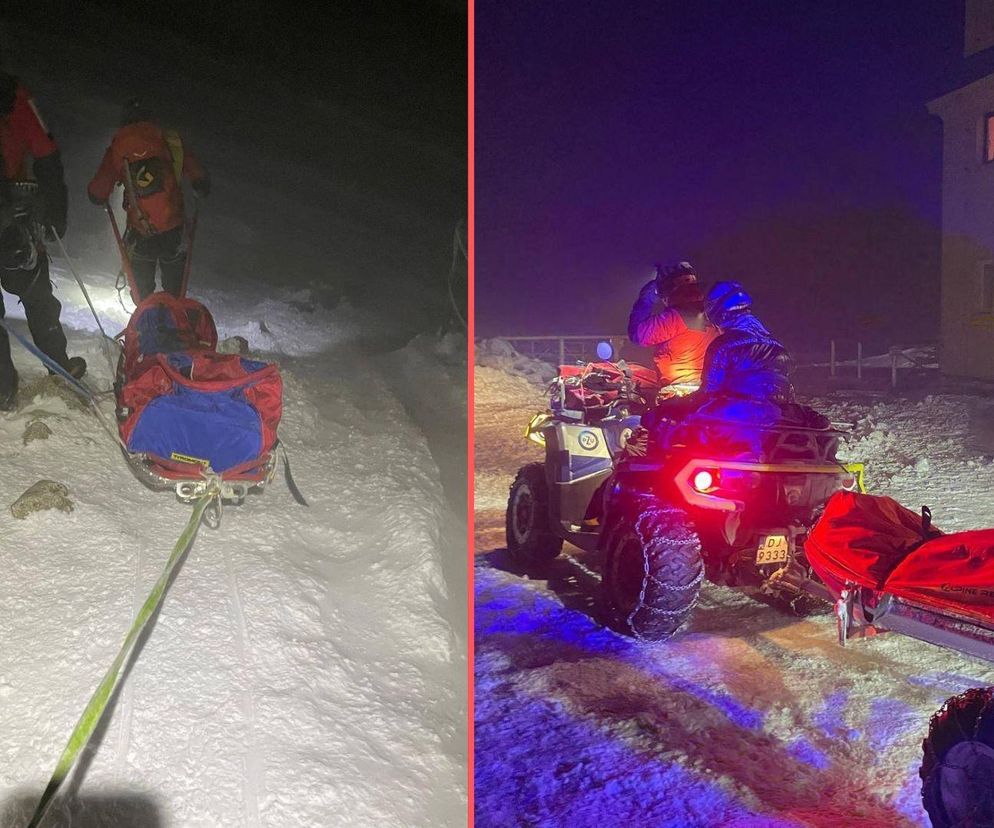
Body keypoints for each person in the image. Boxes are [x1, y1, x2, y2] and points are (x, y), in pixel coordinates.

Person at [0, 70, 86, 411]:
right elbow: (47, 155)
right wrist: (55, 211)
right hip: (15, 214)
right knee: (36, 289)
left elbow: (46, 155)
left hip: (12, 213)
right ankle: (57, 363)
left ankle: (7, 388)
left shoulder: (15, 100)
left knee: (35, 288)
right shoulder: (15, 99)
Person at [87, 98, 209, 300]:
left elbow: (98, 191)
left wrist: (97, 196)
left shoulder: (118, 147)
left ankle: (146, 318)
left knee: (142, 293)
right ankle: (174, 317)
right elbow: (198, 175)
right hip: (173, 227)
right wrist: (200, 185)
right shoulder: (169, 141)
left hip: (141, 231)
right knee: (175, 290)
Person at [628, 261, 718, 397]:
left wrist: (646, 300)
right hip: (708, 388)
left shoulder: (675, 317)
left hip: (680, 392)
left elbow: (637, 334)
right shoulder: (713, 313)